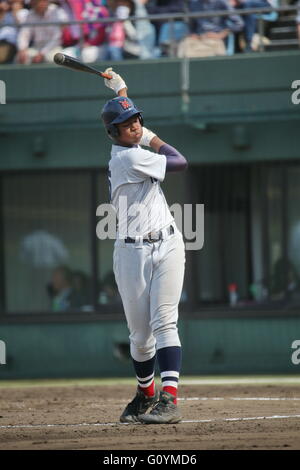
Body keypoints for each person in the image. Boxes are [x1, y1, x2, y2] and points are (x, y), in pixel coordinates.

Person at [100, 68, 187, 424]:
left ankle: (169, 398)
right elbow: (180, 161)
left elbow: (120, 112)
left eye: (136, 119)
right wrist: (150, 135)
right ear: (114, 132)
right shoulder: (129, 157)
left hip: (167, 243)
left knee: (165, 321)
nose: (134, 125)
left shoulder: (126, 145)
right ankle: (145, 393)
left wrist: (119, 90)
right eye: (127, 123)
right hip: (131, 252)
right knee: (140, 336)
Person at [177, 0, 244, 57]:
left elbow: (239, 24)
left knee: (213, 47)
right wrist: (192, 34)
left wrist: (221, 34)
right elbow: (191, 26)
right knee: (185, 44)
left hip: (215, 39)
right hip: (198, 39)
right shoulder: (193, 4)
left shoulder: (221, 2)